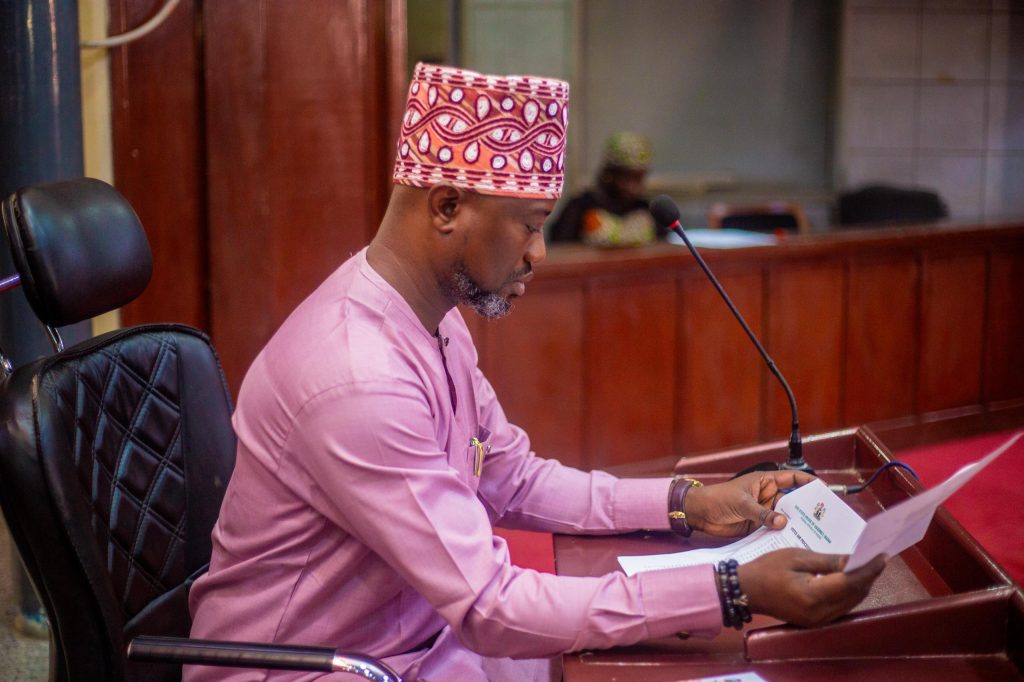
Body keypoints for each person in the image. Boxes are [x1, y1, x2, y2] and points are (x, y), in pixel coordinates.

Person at [187, 63, 885, 681]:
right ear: (447, 206)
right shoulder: (357, 377)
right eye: (528, 224)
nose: (540, 253)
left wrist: (690, 502)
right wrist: (731, 589)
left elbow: (514, 478)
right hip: (312, 670)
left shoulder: (434, 322)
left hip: (416, 643)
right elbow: (488, 605)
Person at [547, 131, 661, 246]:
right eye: (625, 177)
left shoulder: (647, 210)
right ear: (609, 174)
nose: (632, 187)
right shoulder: (580, 207)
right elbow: (559, 247)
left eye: (638, 178)